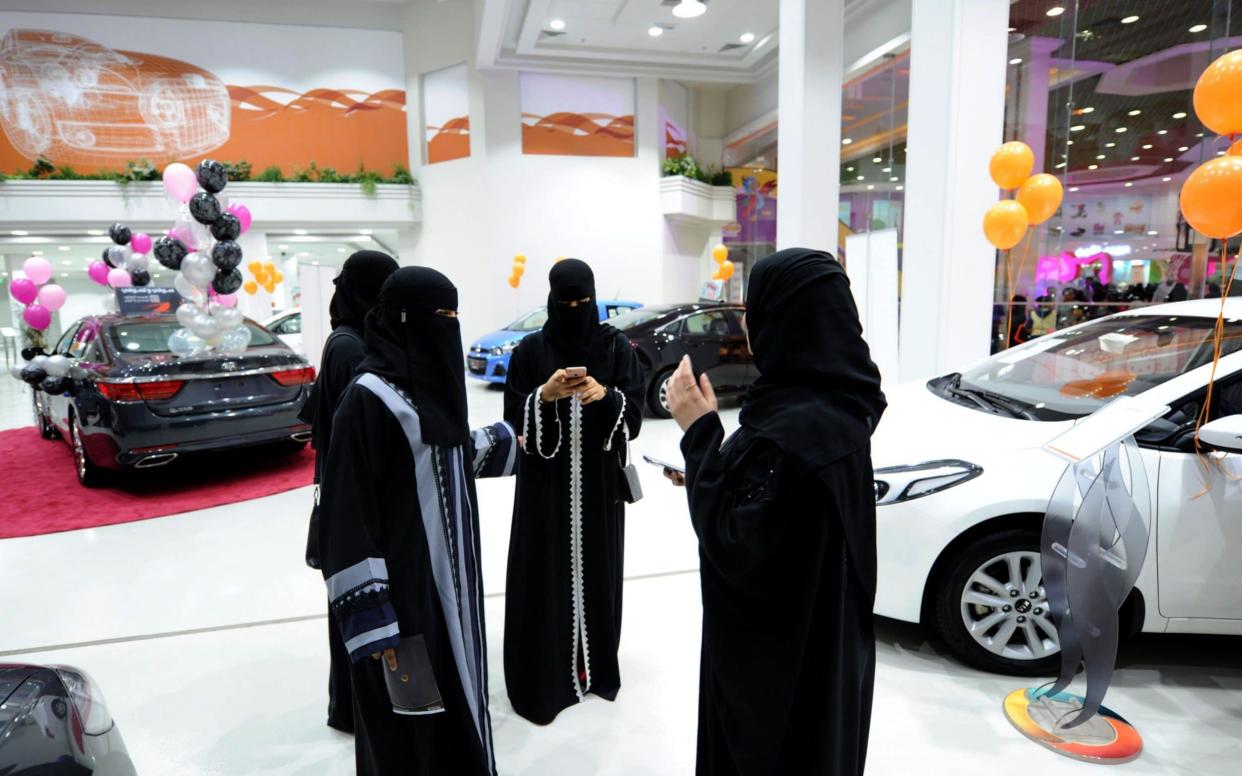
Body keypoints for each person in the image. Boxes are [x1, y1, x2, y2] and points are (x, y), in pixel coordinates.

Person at [666, 248, 886, 776]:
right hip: (828, 646)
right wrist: (718, 469)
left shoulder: (791, 432)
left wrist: (699, 437)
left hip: (777, 670)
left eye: (753, 312)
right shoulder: (845, 405)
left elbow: (738, 549)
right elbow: (784, 514)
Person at [318, 267, 518, 776]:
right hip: (403, 605)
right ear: (400, 320)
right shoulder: (367, 399)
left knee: (459, 711)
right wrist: (377, 626)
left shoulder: (430, 392)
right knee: (409, 738)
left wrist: (533, 420)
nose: (446, 327)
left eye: (452, 316)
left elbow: (453, 456)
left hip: (455, 594)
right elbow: (347, 521)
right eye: (437, 317)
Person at [501, 259, 645, 725]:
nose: (575, 310)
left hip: (600, 494)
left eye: (583, 302)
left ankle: (595, 667)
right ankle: (549, 673)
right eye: (566, 303)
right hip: (545, 497)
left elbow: (636, 419)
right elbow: (512, 426)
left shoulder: (616, 347)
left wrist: (607, 397)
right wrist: (542, 397)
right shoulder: (528, 352)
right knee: (546, 576)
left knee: (598, 573)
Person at [299, 249, 398, 733]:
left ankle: (353, 708)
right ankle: (359, 711)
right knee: (361, 600)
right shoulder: (351, 348)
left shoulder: (346, 340)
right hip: (352, 500)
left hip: (343, 494)